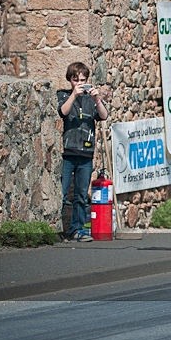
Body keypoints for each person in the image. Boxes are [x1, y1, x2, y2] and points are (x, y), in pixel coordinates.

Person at [57, 62, 109, 242]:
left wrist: (97, 99)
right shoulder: (63, 95)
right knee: (62, 194)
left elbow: (103, 116)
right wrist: (73, 94)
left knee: (80, 195)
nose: (79, 83)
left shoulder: (90, 100)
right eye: (76, 80)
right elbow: (63, 112)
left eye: (83, 80)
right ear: (70, 80)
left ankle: (77, 230)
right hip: (68, 153)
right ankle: (58, 230)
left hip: (86, 153)